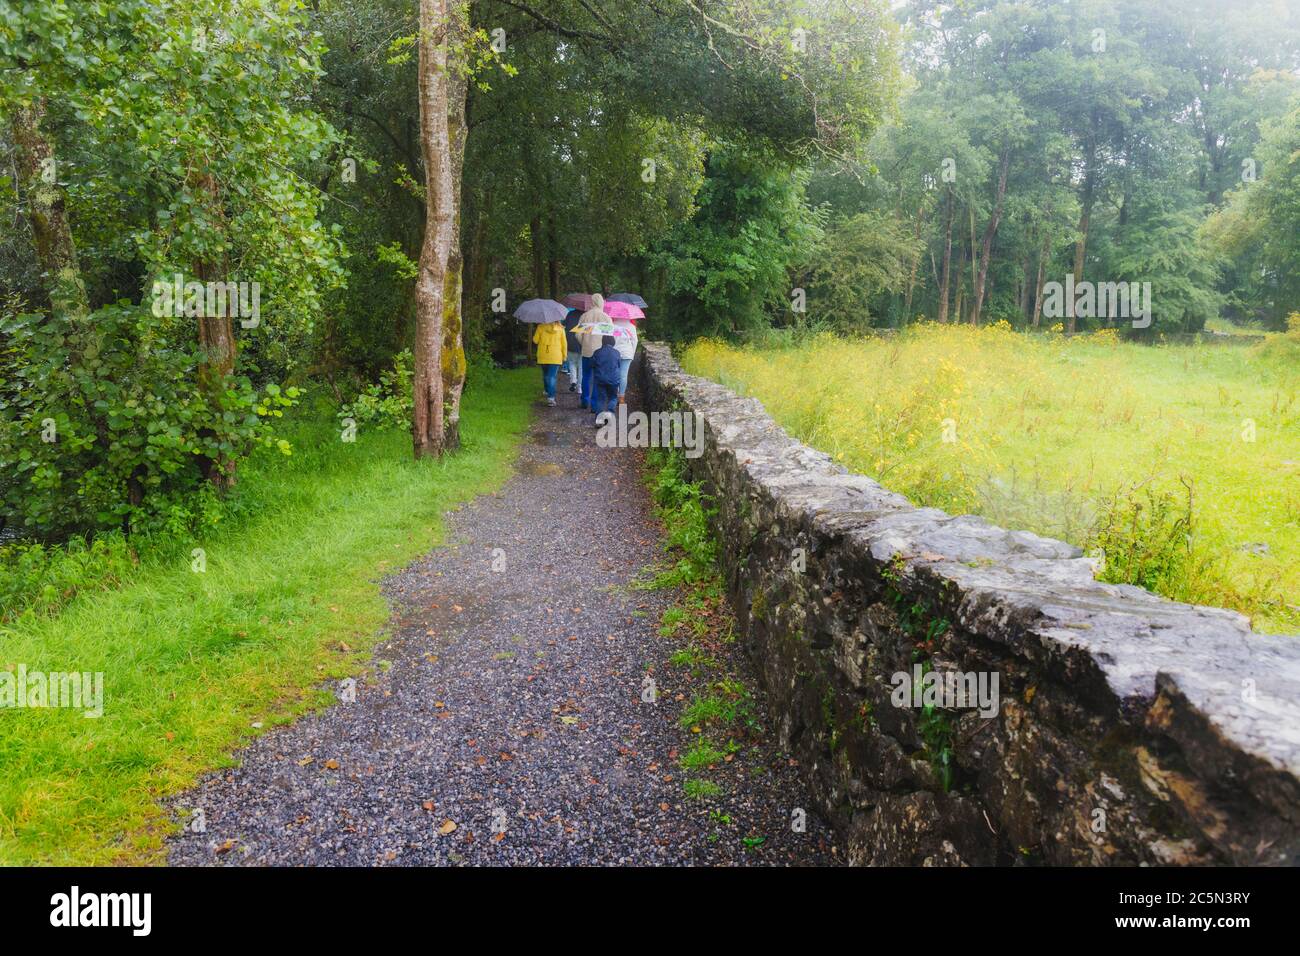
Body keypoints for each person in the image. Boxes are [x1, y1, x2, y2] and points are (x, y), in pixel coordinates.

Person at [577, 294, 609, 410]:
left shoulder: (585, 316)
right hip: (600, 353)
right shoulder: (605, 317)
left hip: (586, 351)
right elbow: (609, 337)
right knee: (598, 378)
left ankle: (585, 401)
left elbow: (578, 334)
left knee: (586, 376)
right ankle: (595, 405)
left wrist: (584, 343)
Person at [532, 318, 567, 406]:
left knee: (545, 374)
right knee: (551, 376)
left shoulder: (540, 327)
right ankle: (551, 398)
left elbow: (535, 340)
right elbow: (564, 343)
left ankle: (547, 391)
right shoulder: (561, 328)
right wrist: (564, 356)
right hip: (556, 356)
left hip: (543, 355)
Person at [590, 333, 621, 422]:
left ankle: (599, 420)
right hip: (614, 379)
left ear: (602, 341)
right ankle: (610, 414)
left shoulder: (597, 352)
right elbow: (619, 365)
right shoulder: (617, 353)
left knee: (601, 399)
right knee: (613, 397)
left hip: (601, 379)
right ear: (613, 342)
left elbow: (591, 364)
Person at [612, 317, 638, 403]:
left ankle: (615, 394)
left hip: (615, 352)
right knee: (623, 375)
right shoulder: (631, 326)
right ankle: (621, 397)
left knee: (615, 374)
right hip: (627, 353)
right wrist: (632, 353)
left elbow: (611, 340)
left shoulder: (613, 325)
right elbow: (635, 341)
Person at [563, 309, 582, 391]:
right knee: (581, 367)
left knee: (572, 363)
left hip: (570, 341)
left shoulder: (570, 314)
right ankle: (579, 387)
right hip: (581, 342)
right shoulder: (585, 315)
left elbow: (564, 325)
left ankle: (573, 381)